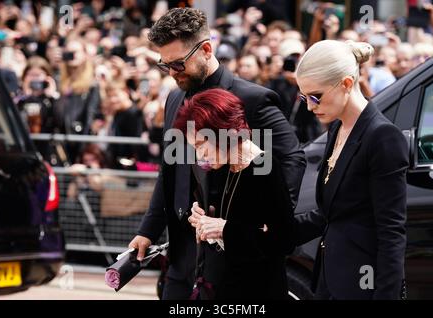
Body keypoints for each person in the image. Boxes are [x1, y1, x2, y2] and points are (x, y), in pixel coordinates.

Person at [128, 7, 306, 300]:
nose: (172, 73)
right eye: (164, 65)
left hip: (231, 259)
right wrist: (148, 230)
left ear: (206, 49)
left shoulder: (251, 99)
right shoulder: (174, 99)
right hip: (184, 254)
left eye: (178, 64)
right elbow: (170, 170)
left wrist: (255, 225)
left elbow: (290, 159)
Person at [293, 40, 409, 299]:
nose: (310, 106)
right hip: (330, 280)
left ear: (346, 83)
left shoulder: (382, 137)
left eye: (315, 96)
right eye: (304, 97)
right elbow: (331, 213)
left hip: (363, 287)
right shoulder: (337, 127)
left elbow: (391, 231)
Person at [173, 88, 296, 299]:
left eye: (202, 144)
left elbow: (283, 240)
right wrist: (201, 219)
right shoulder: (221, 167)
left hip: (258, 290)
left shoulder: (264, 167)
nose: (199, 153)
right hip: (222, 286)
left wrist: (224, 229)